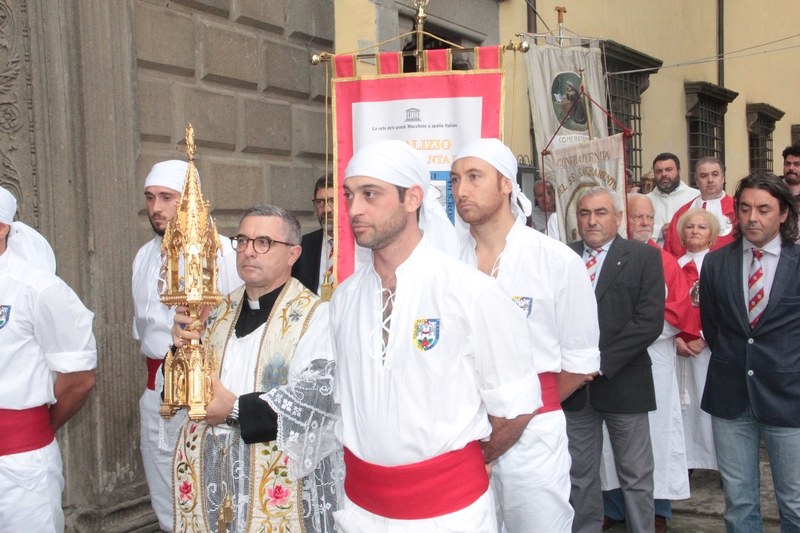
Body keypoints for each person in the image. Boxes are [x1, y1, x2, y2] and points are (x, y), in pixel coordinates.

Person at [330, 140, 541, 532]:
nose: (353, 209)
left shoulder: (470, 292)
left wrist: (452, 469)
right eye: (349, 195)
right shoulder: (343, 299)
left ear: (412, 199)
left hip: (451, 513)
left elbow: (517, 405)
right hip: (360, 510)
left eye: (369, 194)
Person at [451, 139, 600, 533]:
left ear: (505, 184)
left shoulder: (556, 261)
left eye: (474, 177)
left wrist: (520, 410)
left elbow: (580, 363)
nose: (461, 190)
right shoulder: (446, 265)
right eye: (454, 180)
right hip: (461, 435)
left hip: (534, 436)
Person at [170, 204, 331, 533]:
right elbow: (177, 390)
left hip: (275, 482)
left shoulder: (316, 316)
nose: (248, 251)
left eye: (263, 242)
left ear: (293, 254)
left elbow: (317, 399)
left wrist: (235, 409)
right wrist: (180, 350)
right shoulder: (214, 313)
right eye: (242, 240)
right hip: (214, 474)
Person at [131, 159, 242, 531]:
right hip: (156, 393)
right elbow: (144, 334)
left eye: (166, 197)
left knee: (213, 490)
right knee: (165, 491)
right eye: (150, 198)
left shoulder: (225, 253)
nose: (156, 208)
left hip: (207, 394)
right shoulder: (144, 257)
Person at [700, 173, 800, 532]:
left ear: (784, 213)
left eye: (763, 209)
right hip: (730, 399)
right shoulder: (715, 263)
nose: (752, 218)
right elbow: (713, 328)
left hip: (790, 400)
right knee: (739, 503)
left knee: (795, 503)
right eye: (744, 209)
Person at [565, 186, 665, 533]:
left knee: (636, 477)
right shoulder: (562, 256)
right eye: (585, 213)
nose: (592, 221)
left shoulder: (643, 257)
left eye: (601, 212)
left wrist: (598, 364)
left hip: (623, 382)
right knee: (579, 475)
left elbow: (648, 322)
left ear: (618, 218)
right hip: (573, 391)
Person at [0, 186, 97, 532]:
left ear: (2, 227)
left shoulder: (39, 289)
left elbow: (79, 380)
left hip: (19, 464)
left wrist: (35, 428)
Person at [601, 194, 698, 533]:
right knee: (608, 442)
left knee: (653, 438)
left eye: (648, 217)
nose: (643, 223)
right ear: (620, 218)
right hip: (607, 363)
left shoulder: (663, 260)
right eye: (636, 216)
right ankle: (613, 504)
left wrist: (634, 333)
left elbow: (677, 312)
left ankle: (657, 508)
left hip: (653, 359)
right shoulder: (599, 258)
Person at [674, 208, 720, 473]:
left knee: (707, 402)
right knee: (682, 405)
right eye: (690, 227)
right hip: (679, 348)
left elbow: (724, 306)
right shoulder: (672, 265)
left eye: (702, 227)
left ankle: (717, 461)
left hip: (708, 348)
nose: (695, 231)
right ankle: (686, 461)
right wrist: (677, 338)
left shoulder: (719, 264)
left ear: (711, 235)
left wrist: (703, 337)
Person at [663, 157, 735, 257]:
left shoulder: (738, 208)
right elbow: (670, 251)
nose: (710, 180)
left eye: (715, 175)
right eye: (704, 176)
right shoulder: (683, 213)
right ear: (696, 181)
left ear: (723, 178)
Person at [293, 174, 335, 295]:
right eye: (320, 202)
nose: (326, 209)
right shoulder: (302, 246)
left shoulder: (362, 247)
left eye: (332, 201)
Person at [646, 153, 700, 246]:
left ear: (679, 171)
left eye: (668, 170)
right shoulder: (646, 200)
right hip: (657, 255)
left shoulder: (696, 197)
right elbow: (636, 229)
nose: (664, 174)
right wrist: (660, 231)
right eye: (659, 171)